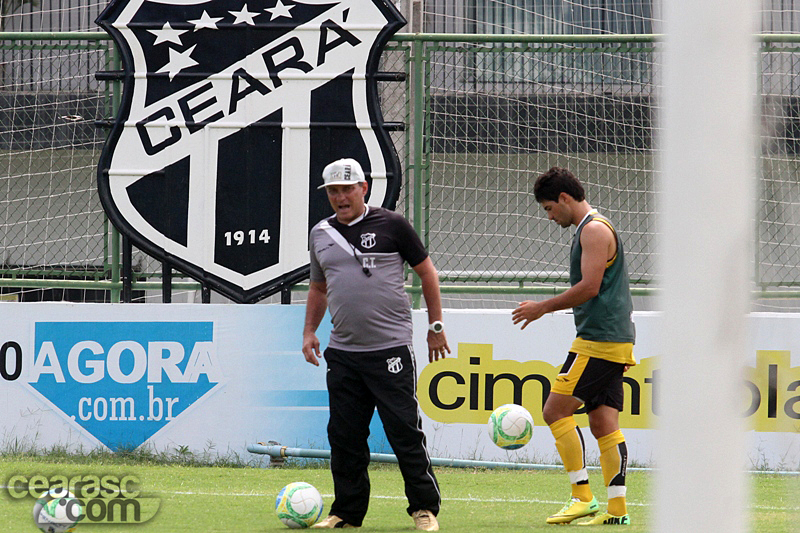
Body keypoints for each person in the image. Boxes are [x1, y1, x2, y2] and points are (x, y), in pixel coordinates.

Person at [302, 158, 450, 531]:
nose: (340, 197)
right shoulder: (320, 233)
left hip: (390, 350)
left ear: (363, 188)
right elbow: (318, 287)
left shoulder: (393, 225)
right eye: (333, 191)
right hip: (343, 353)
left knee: (403, 431)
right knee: (344, 436)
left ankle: (424, 509)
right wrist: (309, 331)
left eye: (347, 189)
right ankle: (346, 513)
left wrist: (435, 326)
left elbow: (427, 273)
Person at [511, 167, 635, 526]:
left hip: (599, 341)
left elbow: (590, 287)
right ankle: (617, 511)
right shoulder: (591, 228)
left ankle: (582, 497)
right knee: (603, 422)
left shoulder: (594, 230)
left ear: (564, 198)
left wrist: (542, 307)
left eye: (550, 208)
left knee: (554, 411)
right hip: (613, 339)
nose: (550, 217)